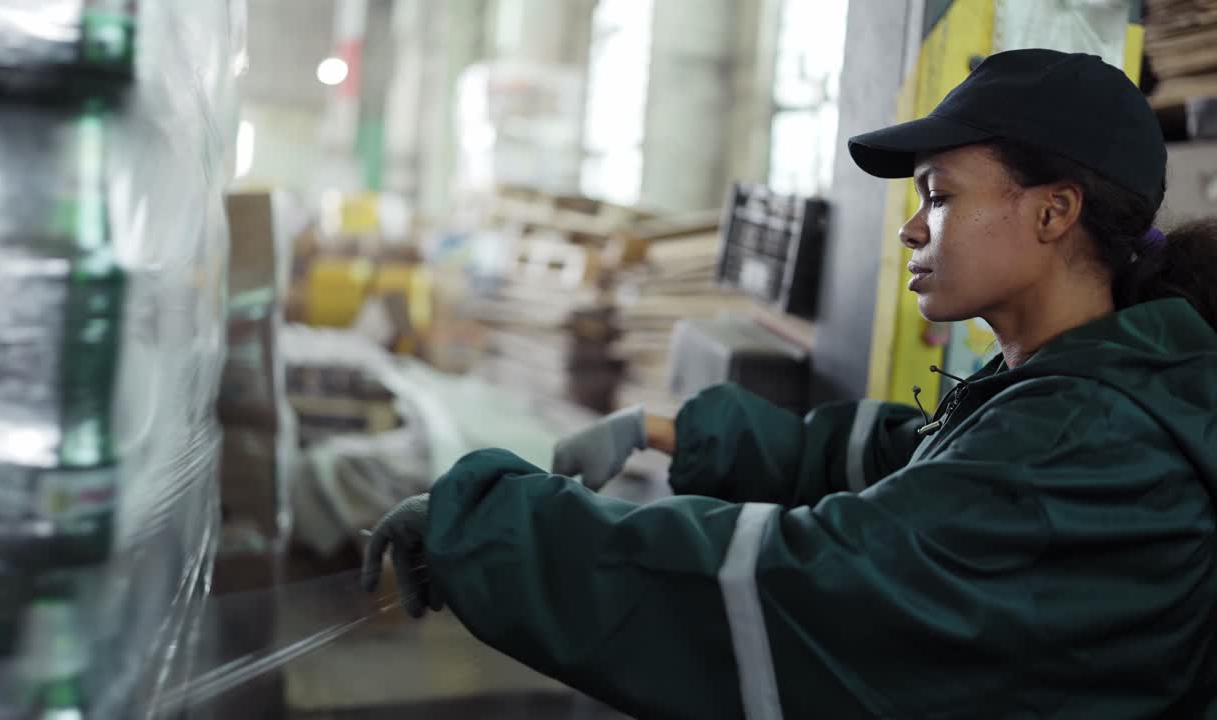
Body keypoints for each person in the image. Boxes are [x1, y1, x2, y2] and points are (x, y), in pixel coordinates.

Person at [362, 49, 1217, 718]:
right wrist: (661, 430)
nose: (913, 226)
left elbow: (816, 583)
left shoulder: (1087, 434)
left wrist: (487, 533)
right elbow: (904, 456)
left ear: (1052, 212)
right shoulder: (1078, 384)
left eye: (940, 194)